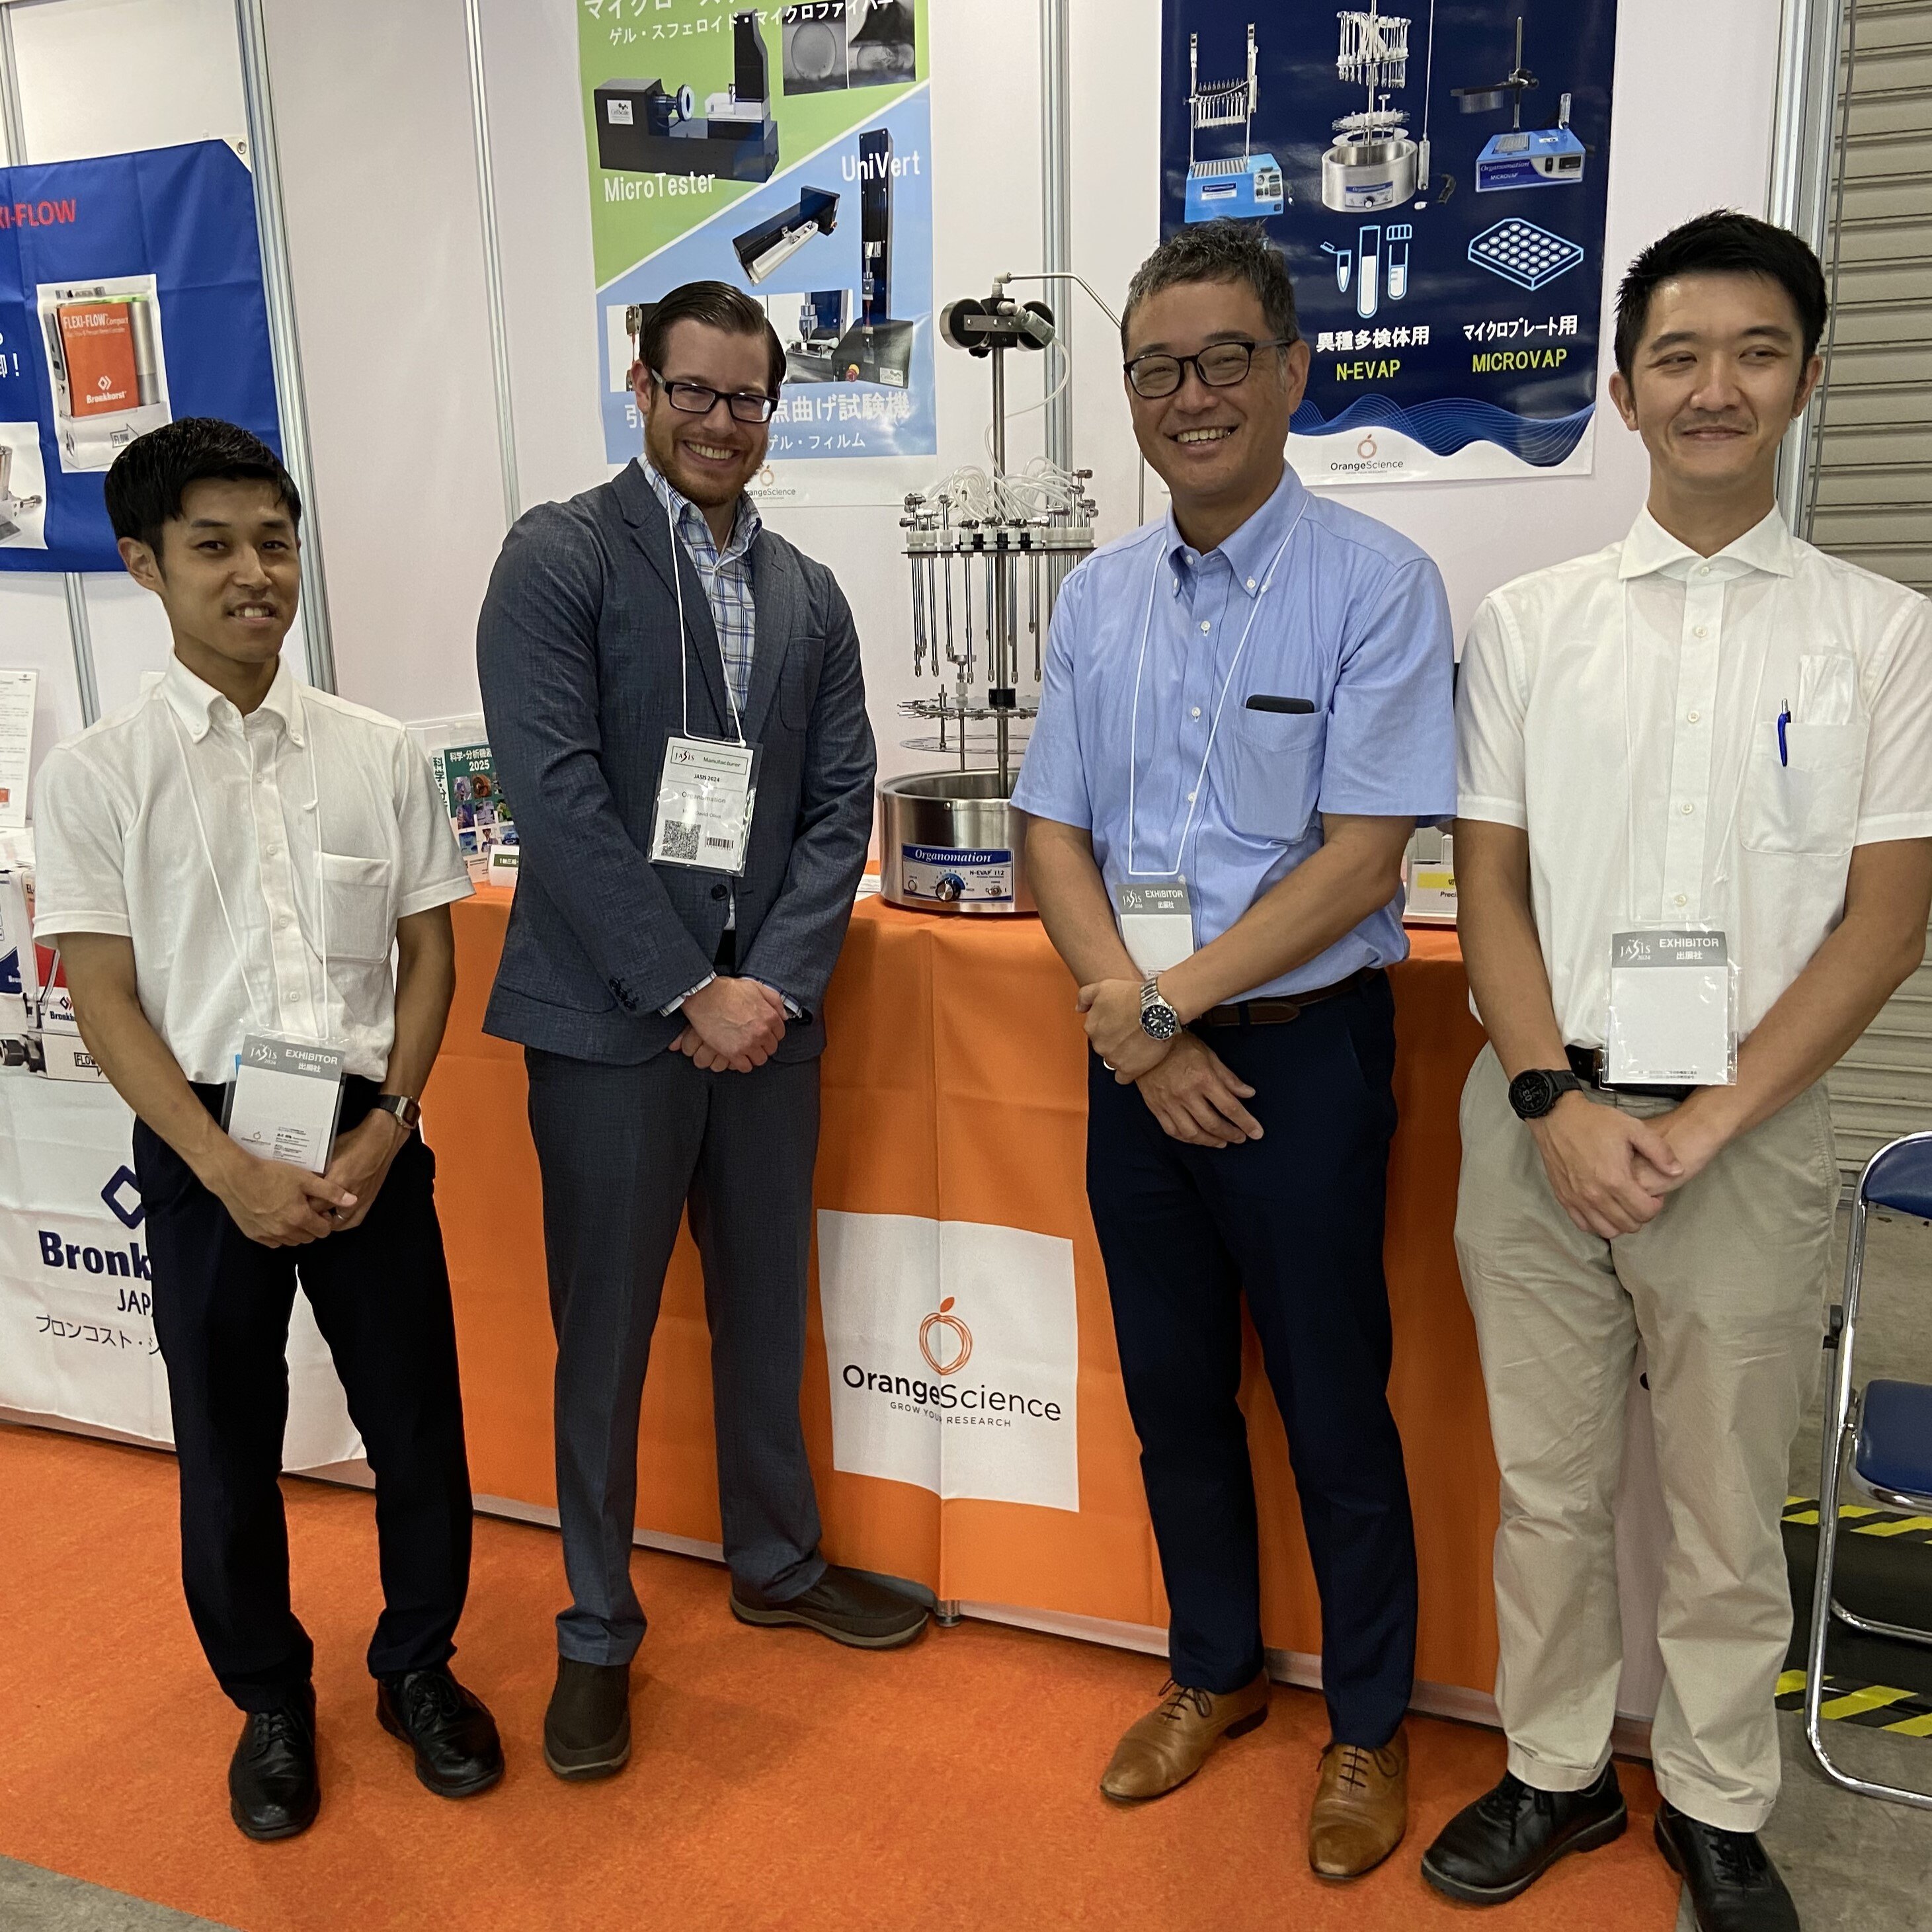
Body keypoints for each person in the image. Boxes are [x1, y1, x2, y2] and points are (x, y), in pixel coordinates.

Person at [1423, 212, 1932, 1932]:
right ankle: (1555, 1773)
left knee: (1727, 1505)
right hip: (1539, 1123)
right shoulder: (1526, 624)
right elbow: (1485, 880)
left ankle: (1716, 1802)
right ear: (1625, 390)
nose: (1715, 387)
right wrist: (1553, 1102)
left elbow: (1883, 920)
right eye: (1678, 357)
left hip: (1756, 1131)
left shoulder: (1881, 634)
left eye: (1756, 352)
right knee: (1548, 1490)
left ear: (1800, 379)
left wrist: (1706, 1119)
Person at [1012, 220, 1455, 1878]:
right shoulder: (1100, 596)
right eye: (1154, 368)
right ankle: (1216, 1675)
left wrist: (1159, 1008)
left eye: (1219, 362)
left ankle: (1366, 1725)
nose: (1187, 397)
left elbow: (1362, 858)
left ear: (1292, 374)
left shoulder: (1377, 587)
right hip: (1140, 1065)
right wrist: (1142, 1028)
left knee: (1338, 1408)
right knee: (1179, 1397)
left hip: (1303, 1062)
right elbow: (1053, 831)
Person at [476, 279, 920, 1787]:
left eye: (749, 400)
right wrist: (688, 989)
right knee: (600, 1343)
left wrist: (771, 989)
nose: (724, 424)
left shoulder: (806, 591)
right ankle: (597, 1628)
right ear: (640, 387)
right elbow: (560, 801)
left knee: (765, 1311)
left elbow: (833, 804)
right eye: (695, 393)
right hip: (616, 1030)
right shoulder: (557, 560)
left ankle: (777, 1562)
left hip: (766, 1031)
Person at [37, 419, 501, 1841]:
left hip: (369, 1131)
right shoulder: (99, 776)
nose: (256, 574)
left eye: (275, 541)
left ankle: (418, 1664)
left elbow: (430, 955)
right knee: (227, 1438)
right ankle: (269, 1702)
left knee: (417, 1424)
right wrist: (222, 1164)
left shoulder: (374, 750)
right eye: (215, 546)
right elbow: (104, 995)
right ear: (144, 566)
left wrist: (395, 1123)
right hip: (202, 1143)